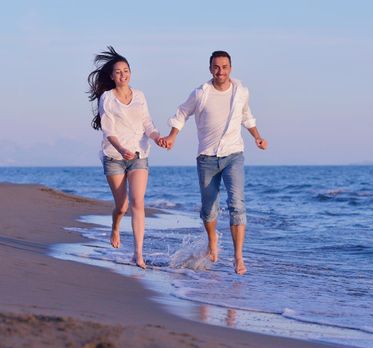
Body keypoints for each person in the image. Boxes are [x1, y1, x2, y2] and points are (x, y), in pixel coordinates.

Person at [162, 50, 268, 275]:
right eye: (217, 67)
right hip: (207, 157)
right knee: (209, 208)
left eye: (225, 67)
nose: (221, 71)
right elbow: (182, 113)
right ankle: (212, 241)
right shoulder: (201, 93)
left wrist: (257, 136)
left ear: (231, 68)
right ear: (210, 69)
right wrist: (172, 136)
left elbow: (247, 116)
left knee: (237, 204)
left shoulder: (241, 92)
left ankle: (238, 257)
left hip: (234, 155)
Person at [88, 46, 164, 269]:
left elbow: (147, 123)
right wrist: (121, 149)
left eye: (126, 70)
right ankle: (115, 225)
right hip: (114, 156)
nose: (123, 74)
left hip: (139, 155)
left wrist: (158, 137)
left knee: (138, 202)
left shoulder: (139, 96)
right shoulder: (107, 98)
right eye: (118, 72)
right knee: (122, 206)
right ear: (112, 76)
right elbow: (108, 131)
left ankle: (138, 254)